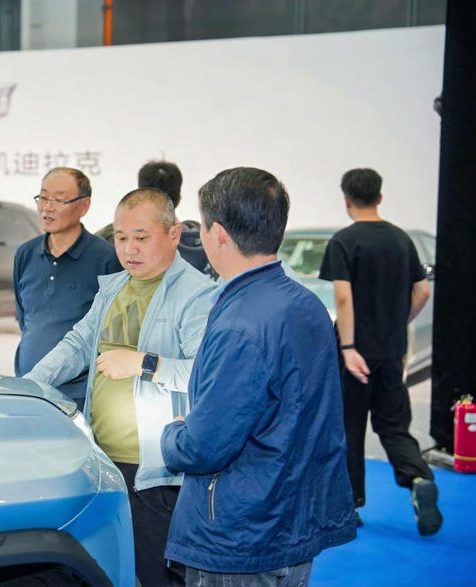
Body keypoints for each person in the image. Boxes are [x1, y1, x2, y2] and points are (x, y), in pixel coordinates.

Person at [161, 167, 357, 585]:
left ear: (218, 234)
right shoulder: (305, 304)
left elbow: (205, 446)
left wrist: (172, 435)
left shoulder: (240, 322)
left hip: (241, 533)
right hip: (293, 517)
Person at [25, 188, 215, 586]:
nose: (129, 249)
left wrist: (144, 363)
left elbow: (206, 374)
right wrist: (29, 384)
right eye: (121, 237)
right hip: (103, 460)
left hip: (156, 471)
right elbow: (78, 344)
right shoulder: (114, 287)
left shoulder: (196, 294)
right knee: (110, 570)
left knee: (157, 573)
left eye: (141, 237)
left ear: (173, 234)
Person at [318, 167, 441, 535]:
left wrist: (348, 346)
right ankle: (418, 478)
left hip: (354, 353)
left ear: (346, 200)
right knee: (394, 425)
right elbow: (423, 292)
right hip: (391, 350)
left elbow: (343, 298)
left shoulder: (344, 241)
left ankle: (350, 503)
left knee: (349, 428)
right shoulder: (401, 239)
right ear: (380, 197)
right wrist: (397, 323)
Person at [13, 167, 121, 409]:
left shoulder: (106, 258)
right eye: (43, 197)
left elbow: (111, 333)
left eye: (59, 199)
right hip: (28, 386)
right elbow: (25, 318)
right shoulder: (25, 254)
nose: (47, 207)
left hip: (78, 395)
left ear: (84, 206)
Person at [96, 160, 216, 278]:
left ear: (138, 196)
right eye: (122, 238)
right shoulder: (208, 241)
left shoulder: (106, 241)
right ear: (179, 199)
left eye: (141, 238)